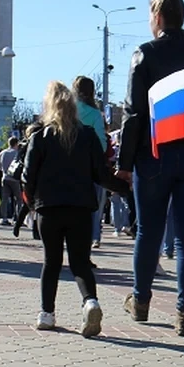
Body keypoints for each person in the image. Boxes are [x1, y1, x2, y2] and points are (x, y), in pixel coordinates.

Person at [116, 0, 184, 337]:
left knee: (149, 231)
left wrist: (125, 162)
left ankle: (141, 302)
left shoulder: (144, 54)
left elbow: (133, 113)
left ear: (158, 17)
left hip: (155, 154)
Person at [22, 81, 129, 336]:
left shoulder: (40, 136)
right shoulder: (88, 136)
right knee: (80, 262)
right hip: (81, 208)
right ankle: (91, 302)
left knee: (52, 262)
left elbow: (28, 176)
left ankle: (46, 314)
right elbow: (100, 175)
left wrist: (31, 201)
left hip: (49, 208)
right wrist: (125, 187)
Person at [73, 76, 109, 249]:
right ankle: (94, 237)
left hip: (68, 166)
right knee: (95, 203)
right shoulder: (95, 114)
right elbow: (102, 143)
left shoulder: (67, 111)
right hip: (90, 166)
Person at [0, 136, 21, 225]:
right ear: (16, 144)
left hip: (5, 177)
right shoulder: (17, 153)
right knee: (18, 199)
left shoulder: (3, 153)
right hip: (15, 179)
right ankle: (18, 217)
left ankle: (4, 218)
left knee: (4, 199)